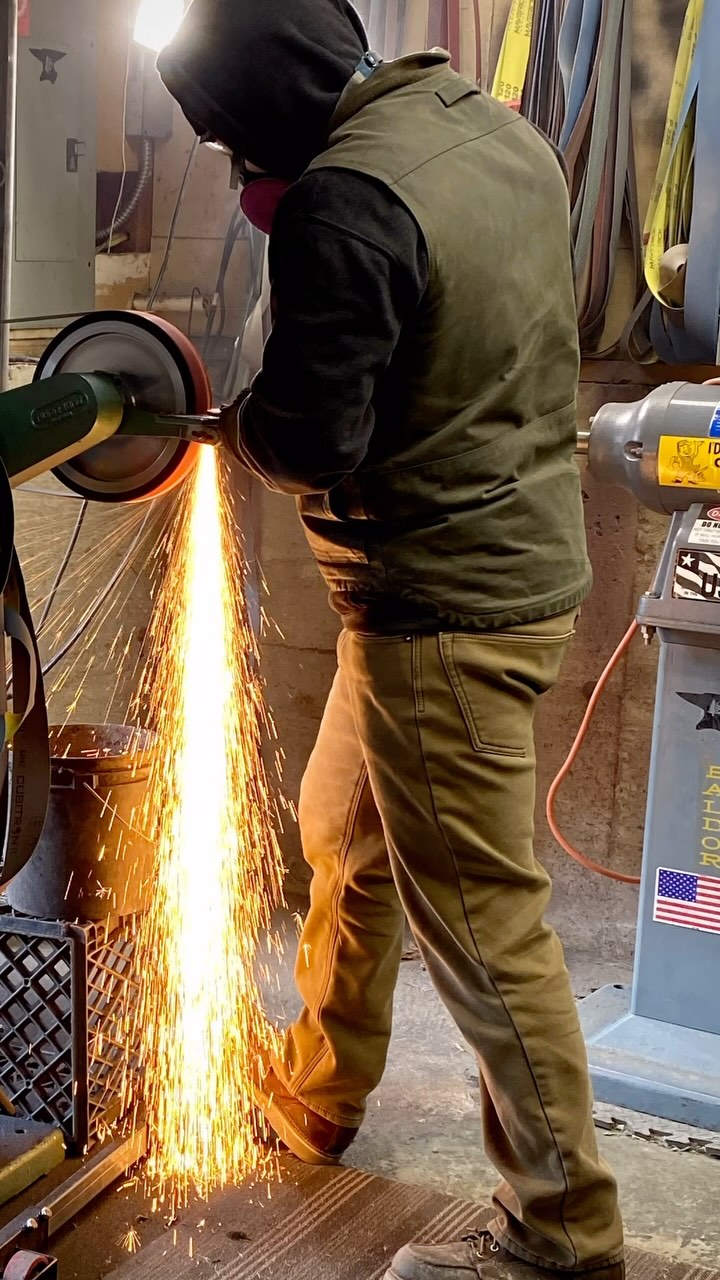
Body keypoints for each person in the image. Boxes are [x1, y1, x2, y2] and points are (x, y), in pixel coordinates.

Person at [158, 3, 624, 1276]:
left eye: (233, 145)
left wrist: (220, 430)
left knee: (482, 930)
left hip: (440, 605)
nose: (239, 174)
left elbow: (312, 436)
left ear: (267, 109)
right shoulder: (492, 130)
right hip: (494, 566)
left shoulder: (347, 202)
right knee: (343, 831)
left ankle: (561, 1234)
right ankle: (318, 1088)